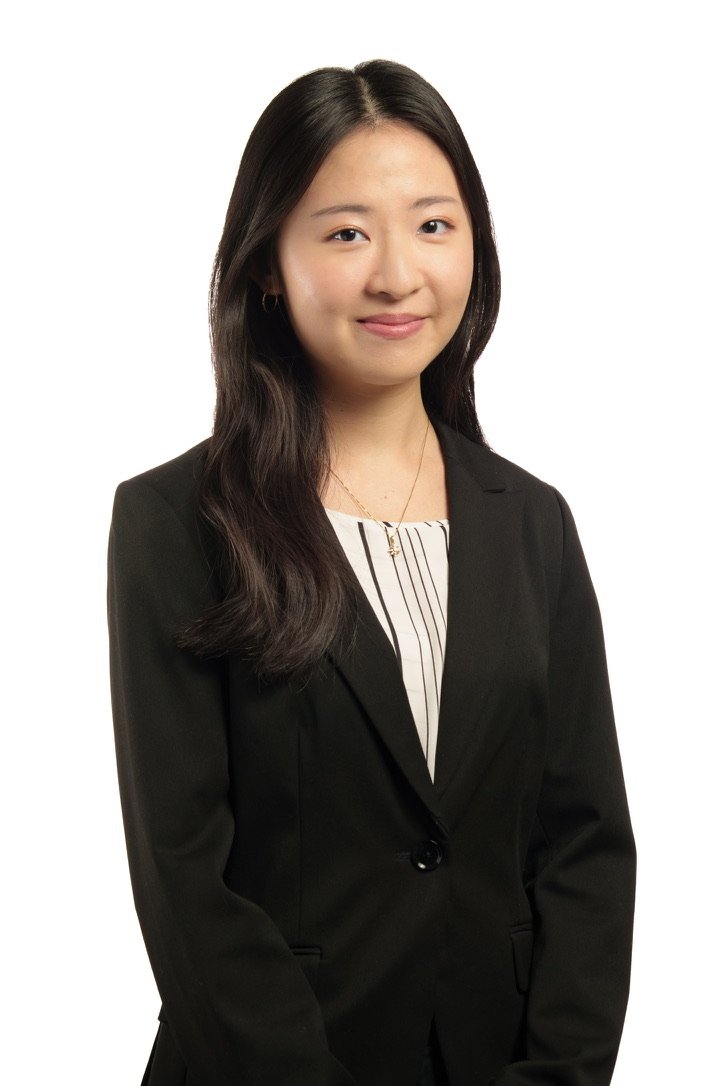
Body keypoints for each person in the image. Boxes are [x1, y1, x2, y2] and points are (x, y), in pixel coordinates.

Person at [108, 60, 636, 1086]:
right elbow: (184, 880)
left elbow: (585, 848)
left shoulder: (532, 523)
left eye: (433, 226)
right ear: (268, 263)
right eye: (347, 232)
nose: (397, 273)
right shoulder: (175, 522)